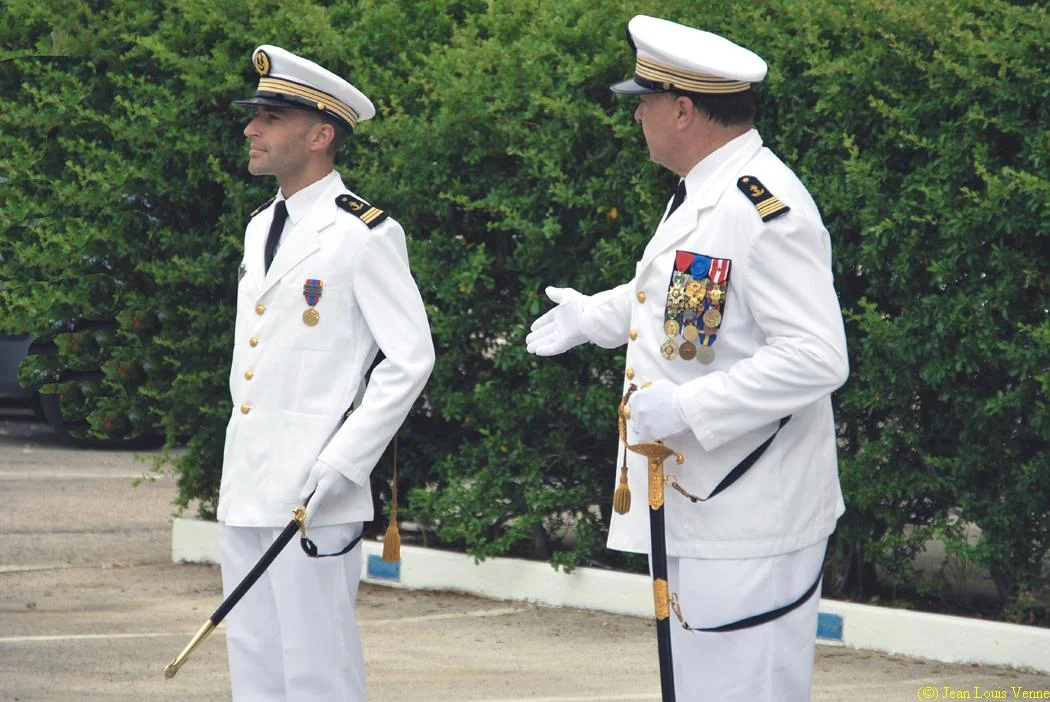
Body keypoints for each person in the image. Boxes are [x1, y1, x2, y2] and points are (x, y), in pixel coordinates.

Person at [526, 16, 849, 701]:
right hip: (705, 506)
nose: (636, 115)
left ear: (682, 109)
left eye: (643, 101)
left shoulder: (764, 208)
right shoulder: (709, 192)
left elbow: (818, 356)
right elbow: (688, 301)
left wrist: (688, 407)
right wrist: (597, 317)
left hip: (751, 515)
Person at [219, 45, 435, 701]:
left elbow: (411, 356)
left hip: (316, 488)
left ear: (320, 134)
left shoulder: (363, 234)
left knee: (318, 669)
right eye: (254, 115)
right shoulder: (261, 227)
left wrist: (345, 461)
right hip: (248, 479)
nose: (251, 129)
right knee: (253, 660)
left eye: (270, 117)